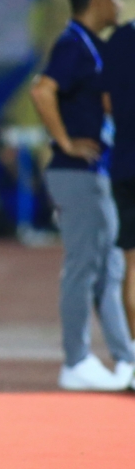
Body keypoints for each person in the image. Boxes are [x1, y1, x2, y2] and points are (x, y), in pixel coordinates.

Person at [31, 0, 135, 391]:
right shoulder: (74, 43)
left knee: (108, 267)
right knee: (83, 267)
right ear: (97, 0)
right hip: (75, 170)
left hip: (94, 170)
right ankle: (75, 360)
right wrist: (67, 142)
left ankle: (126, 358)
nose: (120, 3)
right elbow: (42, 89)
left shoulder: (93, 46)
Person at [103, 19, 135, 370]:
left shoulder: (122, 37)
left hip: (126, 163)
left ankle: (134, 361)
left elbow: (107, 101)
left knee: (132, 265)